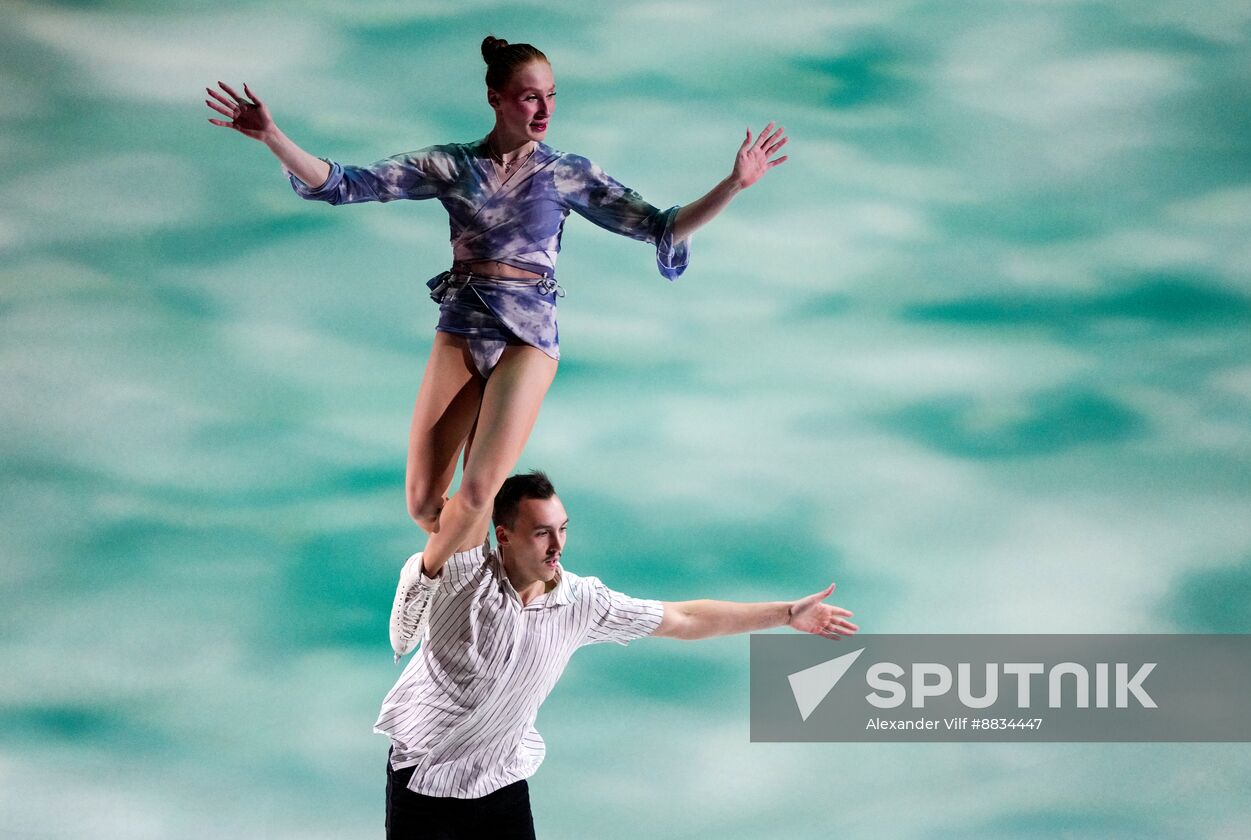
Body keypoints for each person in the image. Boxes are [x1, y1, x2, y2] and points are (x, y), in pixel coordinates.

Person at [204, 36, 790, 581]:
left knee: (479, 493)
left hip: (528, 332)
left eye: (552, 96)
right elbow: (348, 183)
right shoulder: (454, 165)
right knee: (425, 505)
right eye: (530, 96)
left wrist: (733, 184)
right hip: (463, 320)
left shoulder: (567, 173)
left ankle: (423, 586)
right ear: (496, 99)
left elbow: (661, 226)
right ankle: (477, 584)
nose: (544, 108)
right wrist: (272, 138)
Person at [377, 470, 856, 838]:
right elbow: (470, 487)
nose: (558, 545)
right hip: (424, 781)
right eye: (542, 532)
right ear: (502, 534)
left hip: (500, 782)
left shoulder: (581, 602)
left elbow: (683, 618)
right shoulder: (466, 577)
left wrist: (787, 613)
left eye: (563, 529)